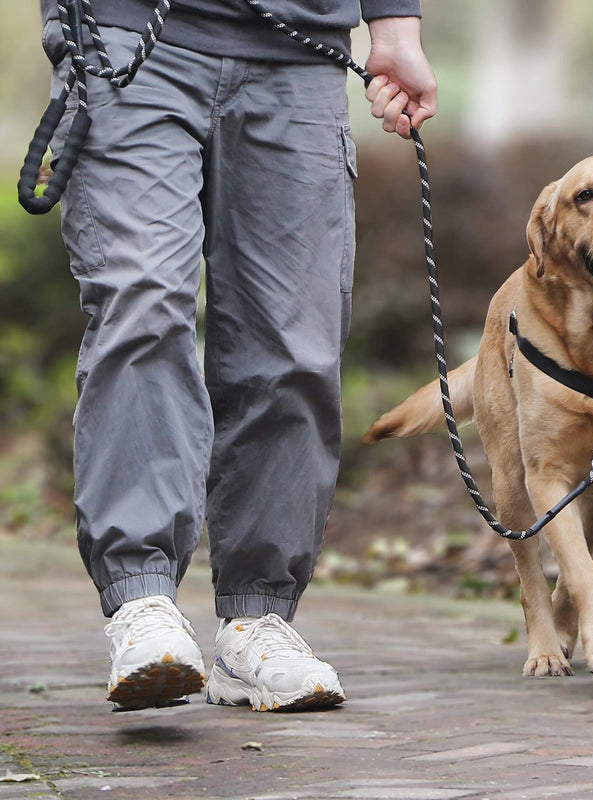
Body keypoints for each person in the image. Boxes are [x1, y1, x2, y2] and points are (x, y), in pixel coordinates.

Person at [37, 0, 437, 712]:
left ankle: (259, 619)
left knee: (293, 344)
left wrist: (395, 23)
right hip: (131, 35)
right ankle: (143, 601)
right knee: (142, 299)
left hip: (299, 45)